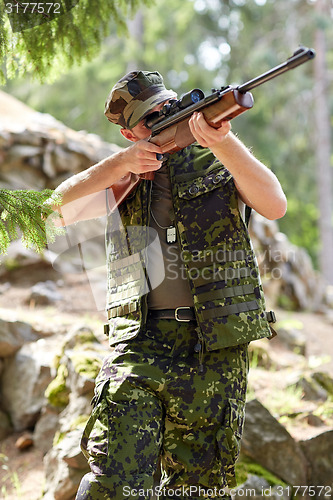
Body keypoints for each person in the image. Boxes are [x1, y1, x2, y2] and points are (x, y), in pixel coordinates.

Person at [51, 70, 287, 499]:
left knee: (198, 490)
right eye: (149, 118)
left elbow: (274, 204)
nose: (163, 115)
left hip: (213, 349)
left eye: (167, 107)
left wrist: (223, 142)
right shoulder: (122, 177)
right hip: (141, 345)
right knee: (114, 485)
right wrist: (121, 164)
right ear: (129, 133)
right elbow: (54, 212)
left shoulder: (218, 159)